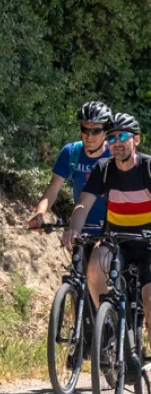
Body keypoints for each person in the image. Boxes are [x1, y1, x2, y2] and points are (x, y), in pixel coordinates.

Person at [63, 113, 151, 376]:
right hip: (117, 240)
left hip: (148, 243)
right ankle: (110, 326)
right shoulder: (103, 169)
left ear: (136, 139)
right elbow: (83, 203)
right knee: (94, 265)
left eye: (123, 136)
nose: (116, 142)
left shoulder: (147, 167)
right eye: (111, 137)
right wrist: (74, 230)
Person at [27, 101, 112, 233]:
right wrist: (40, 214)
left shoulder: (115, 156)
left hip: (114, 229)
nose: (89, 136)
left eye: (95, 131)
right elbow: (53, 188)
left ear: (106, 132)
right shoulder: (71, 152)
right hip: (80, 228)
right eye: (85, 129)